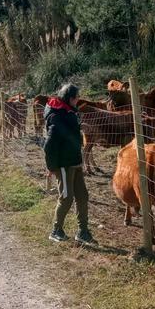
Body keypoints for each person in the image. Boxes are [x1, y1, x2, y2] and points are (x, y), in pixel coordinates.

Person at [43, 83, 97, 245]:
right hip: (64, 164)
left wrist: (79, 127)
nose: (78, 100)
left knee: (82, 196)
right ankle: (56, 230)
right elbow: (49, 144)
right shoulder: (57, 115)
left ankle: (83, 232)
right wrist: (52, 167)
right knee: (66, 198)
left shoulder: (67, 111)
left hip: (75, 161)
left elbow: (67, 130)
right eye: (77, 97)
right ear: (70, 98)